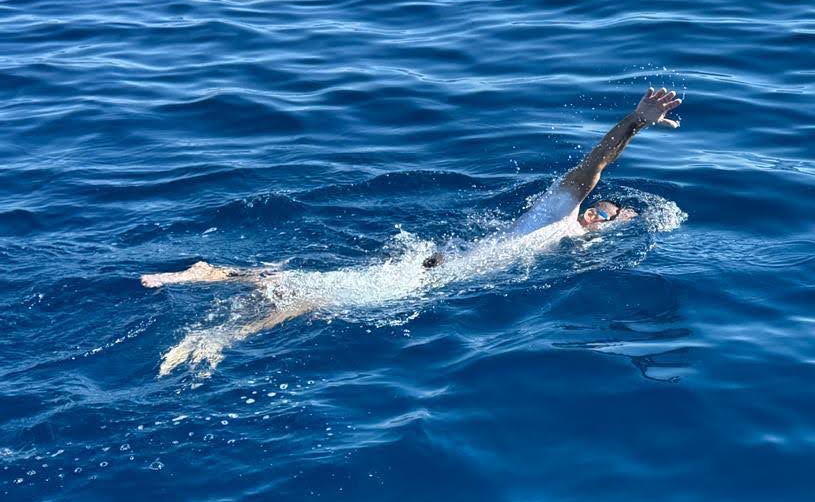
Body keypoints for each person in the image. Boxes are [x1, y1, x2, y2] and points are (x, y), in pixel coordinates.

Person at [142, 87, 682, 375]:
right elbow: (598, 163)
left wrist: (616, 227)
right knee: (314, 300)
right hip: (425, 280)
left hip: (437, 267)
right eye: (608, 214)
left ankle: (211, 273)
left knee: (319, 285)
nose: (610, 221)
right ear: (589, 210)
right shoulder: (561, 210)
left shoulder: (562, 236)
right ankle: (216, 336)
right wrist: (634, 122)